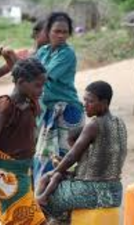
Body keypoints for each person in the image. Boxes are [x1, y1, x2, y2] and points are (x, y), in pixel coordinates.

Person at [36, 81, 127, 221]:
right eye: (84, 100)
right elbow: (77, 141)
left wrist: (55, 171)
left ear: (104, 102)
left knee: (45, 199)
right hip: (115, 192)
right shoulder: (119, 123)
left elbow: (72, 156)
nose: (85, 105)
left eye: (90, 101)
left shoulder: (94, 125)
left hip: (92, 192)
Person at [0, 58, 48, 225]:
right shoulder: (5, 108)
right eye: (37, 85)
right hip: (7, 178)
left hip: (23, 174)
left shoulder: (31, 104)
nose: (41, 90)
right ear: (21, 82)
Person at [33, 12, 85, 188]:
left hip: (67, 112)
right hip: (49, 111)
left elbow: (43, 76)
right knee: (44, 158)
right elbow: (31, 71)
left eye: (64, 32)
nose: (61, 35)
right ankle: (46, 203)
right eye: (57, 31)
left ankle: (57, 204)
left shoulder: (67, 54)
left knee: (61, 162)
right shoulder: (43, 51)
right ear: (48, 31)